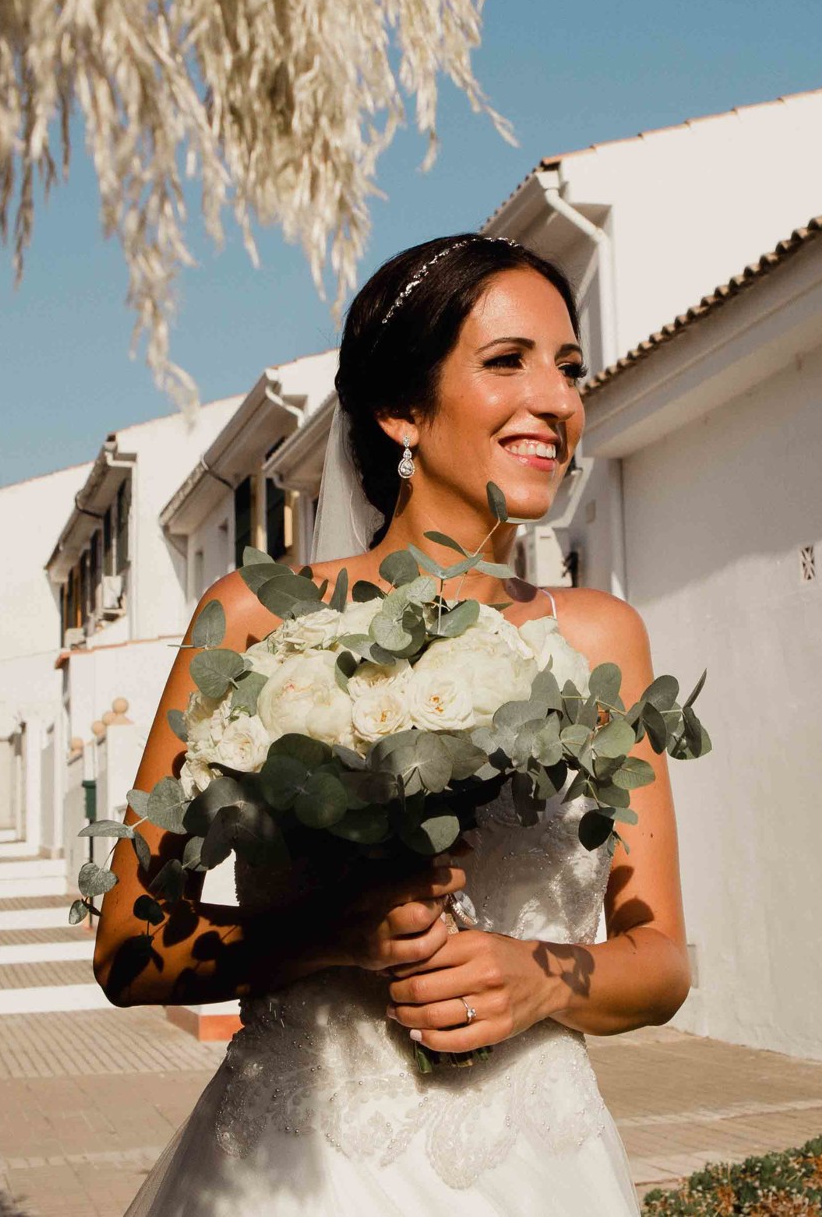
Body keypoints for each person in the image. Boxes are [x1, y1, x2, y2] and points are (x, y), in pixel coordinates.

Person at [99, 235, 691, 1214]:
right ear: (399, 410)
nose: (556, 400)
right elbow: (128, 943)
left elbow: (661, 954)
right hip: (299, 1167)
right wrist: (323, 933)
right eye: (507, 362)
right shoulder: (250, 621)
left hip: (533, 1169)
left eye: (569, 368)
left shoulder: (601, 638)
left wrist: (540, 976)